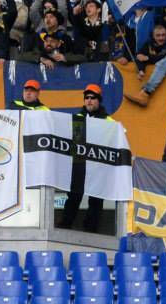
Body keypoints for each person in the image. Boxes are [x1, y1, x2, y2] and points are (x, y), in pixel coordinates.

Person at [60, 84, 116, 232]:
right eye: (87, 97)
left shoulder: (109, 121)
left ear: (99, 100)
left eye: (93, 97)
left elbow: (116, 141)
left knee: (96, 199)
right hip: (78, 164)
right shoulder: (76, 118)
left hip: (98, 166)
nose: (89, 100)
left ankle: (91, 230)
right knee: (74, 196)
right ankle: (65, 225)